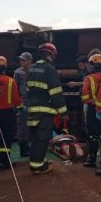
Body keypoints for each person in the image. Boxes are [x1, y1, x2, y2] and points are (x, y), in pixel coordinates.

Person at [26, 43, 67, 174]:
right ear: (51, 54)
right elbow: (56, 92)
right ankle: (38, 166)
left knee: (35, 138)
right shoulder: (49, 69)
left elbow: (28, 89)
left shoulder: (32, 68)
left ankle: (39, 162)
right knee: (42, 138)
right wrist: (63, 112)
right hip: (44, 111)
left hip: (32, 110)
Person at [0, 56, 22, 170]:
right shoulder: (10, 81)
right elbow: (16, 99)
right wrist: (21, 107)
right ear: (5, 67)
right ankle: (5, 162)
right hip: (7, 113)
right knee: (7, 136)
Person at [81, 54, 101, 168]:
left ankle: (92, 158)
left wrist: (91, 101)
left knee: (92, 135)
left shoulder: (88, 78)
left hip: (92, 108)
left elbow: (85, 97)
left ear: (91, 65)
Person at [14, 52, 32, 157]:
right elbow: (15, 88)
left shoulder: (34, 71)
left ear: (29, 61)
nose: (21, 62)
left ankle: (31, 146)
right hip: (23, 103)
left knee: (32, 125)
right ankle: (23, 147)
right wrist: (18, 102)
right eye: (20, 60)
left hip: (34, 102)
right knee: (23, 125)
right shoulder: (18, 72)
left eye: (23, 60)